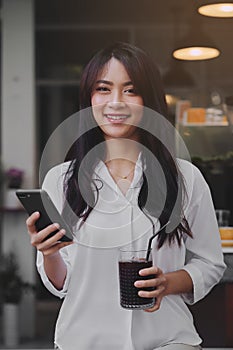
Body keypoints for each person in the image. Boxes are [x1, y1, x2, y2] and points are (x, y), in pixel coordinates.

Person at [26, 42, 226, 350]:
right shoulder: (61, 180)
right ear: (89, 99)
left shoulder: (185, 178)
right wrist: (49, 253)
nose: (115, 102)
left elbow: (210, 263)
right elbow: (62, 284)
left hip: (168, 341)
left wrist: (167, 283)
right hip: (83, 341)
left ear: (150, 101)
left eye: (131, 91)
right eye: (103, 89)